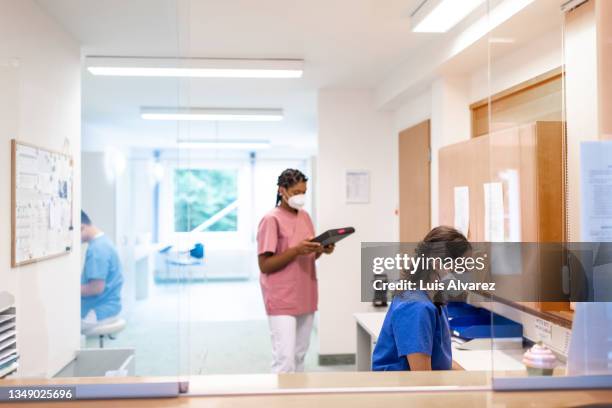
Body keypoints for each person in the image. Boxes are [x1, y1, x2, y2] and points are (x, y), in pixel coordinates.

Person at [257, 169, 335, 373]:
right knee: (285, 359)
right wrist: (296, 250)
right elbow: (265, 265)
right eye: (297, 191)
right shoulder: (270, 219)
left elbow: (308, 255)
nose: (301, 196)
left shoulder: (305, 216)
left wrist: (321, 250)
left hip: (305, 293)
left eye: (304, 191)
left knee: (300, 356)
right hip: (282, 296)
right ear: (282, 190)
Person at [372, 226, 471, 371]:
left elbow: (442, 360)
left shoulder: (434, 297)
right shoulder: (416, 307)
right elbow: (422, 377)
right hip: (402, 390)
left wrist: (470, 379)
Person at [80, 210, 124, 333]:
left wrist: (69, 290)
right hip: (111, 306)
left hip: (98, 311)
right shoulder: (104, 241)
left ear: (81, 227)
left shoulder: (97, 249)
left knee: (61, 326)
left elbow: (96, 288)